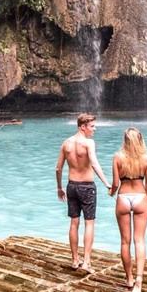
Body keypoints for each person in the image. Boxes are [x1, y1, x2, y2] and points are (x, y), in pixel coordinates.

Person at [56, 113, 112, 272]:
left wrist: (59, 188)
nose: (94, 129)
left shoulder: (66, 143)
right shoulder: (89, 143)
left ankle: (75, 260)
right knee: (89, 223)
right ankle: (86, 262)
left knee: (74, 223)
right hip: (87, 187)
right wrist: (107, 183)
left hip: (71, 186)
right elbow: (94, 164)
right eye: (92, 126)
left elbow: (58, 168)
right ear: (83, 126)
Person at [110, 127, 147, 292]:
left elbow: (115, 184)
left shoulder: (117, 157)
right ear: (140, 140)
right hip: (141, 198)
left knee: (124, 242)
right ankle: (139, 279)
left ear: (125, 140)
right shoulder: (146, 159)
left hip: (123, 197)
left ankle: (129, 279)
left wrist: (111, 192)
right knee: (140, 241)